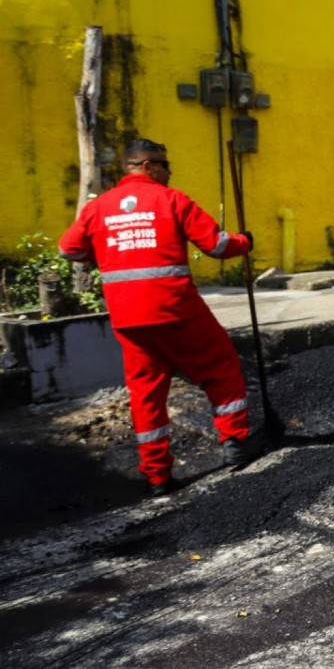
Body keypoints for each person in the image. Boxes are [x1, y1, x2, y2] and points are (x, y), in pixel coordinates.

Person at [59, 138, 265, 495]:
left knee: (146, 394)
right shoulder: (171, 200)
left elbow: (68, 249)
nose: (170, 173)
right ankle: (234, 443)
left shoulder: (98, 208)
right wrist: (244, 242)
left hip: (128, 318)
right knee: (221, 368)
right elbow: (217, 245)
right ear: (149, 166)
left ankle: (157, 476)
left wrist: (106, 252)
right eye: (166, 165)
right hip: (176, 309)